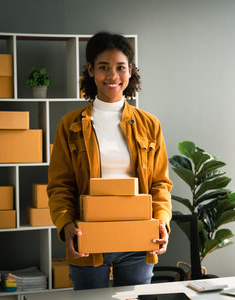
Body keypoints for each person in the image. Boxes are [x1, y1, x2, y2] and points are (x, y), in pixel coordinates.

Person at [47, 32, 172, 290]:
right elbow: (60, 186)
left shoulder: (150, 125)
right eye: (104, 67)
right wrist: (66, 224)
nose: (113, 76)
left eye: (120, 67)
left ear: (130, 71)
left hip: (138, 238)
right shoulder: (69, 125)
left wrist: (161, 221)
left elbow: (160, 183)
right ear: (91, 70)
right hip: (88, 239)